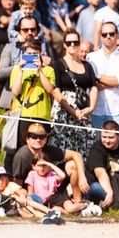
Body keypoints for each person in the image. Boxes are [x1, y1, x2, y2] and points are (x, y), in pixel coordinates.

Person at [48, 28, 98, 159]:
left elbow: (93, 87)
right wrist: (72, 111)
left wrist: (91, 108)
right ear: (64, 44)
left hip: (83, 110)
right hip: (64, 111)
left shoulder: (87, 65)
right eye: (69, 42)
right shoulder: (58, 64)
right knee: (62, 147)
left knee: (84, 147)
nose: (72, 46)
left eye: (75, 42)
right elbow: (56, 91)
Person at [87, 21, 119, 131]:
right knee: (96, 146)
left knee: (117, 147)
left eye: (111, 34)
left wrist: (97, 77)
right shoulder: (91, 57)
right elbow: (90, 83)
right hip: (95, 110)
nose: (108, 37)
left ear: (117, 35)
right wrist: (111, 82)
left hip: (117, 109)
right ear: (101, 36)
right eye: (104, 34)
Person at [9, 38, 56, 145]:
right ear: (23, 54)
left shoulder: (49, 70)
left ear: (40, 54)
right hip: (23, 115)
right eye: (28, 54)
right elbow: (15, 92)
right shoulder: (16, 69)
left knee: (41, 149)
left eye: (34, 54)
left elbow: (50, 89)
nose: (31, 56)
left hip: (42, 115)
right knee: (23, 148)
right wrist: (21, 71)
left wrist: (40, 70)